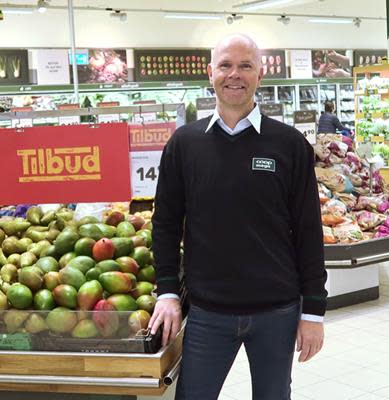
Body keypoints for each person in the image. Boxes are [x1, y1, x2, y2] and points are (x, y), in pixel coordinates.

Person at [148, 33, 327, 400]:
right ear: (210, 72)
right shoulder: (184, 144)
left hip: (277, 311)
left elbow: (309, 231)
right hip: (207, 312)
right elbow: (165, 223)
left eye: (245, 65)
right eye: (226, 65)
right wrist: (167, 292)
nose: (235, 74)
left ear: (260, 74)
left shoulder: (289, 144)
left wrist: (314, 312)